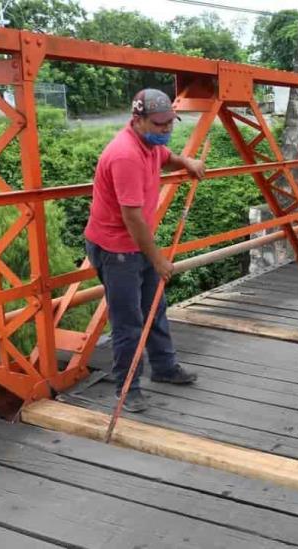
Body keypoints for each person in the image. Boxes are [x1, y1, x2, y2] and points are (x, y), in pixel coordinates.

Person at [85, 89, 205, 413]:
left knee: (155, 306)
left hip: (136, 244)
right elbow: (132, 217)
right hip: (116, 249)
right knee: (128, 321)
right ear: (137, 120)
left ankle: (165, 368)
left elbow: (166, 157)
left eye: (170, 124)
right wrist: (158, 259)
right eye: (159, 124)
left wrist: (187, 162)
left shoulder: (151, 144)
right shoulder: (125, 154)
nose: (166, 130)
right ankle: (127, 388)